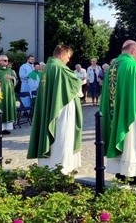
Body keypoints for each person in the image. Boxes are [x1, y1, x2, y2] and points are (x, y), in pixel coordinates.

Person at [100, 40, 136, 189]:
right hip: (134, 115)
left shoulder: (112, 67)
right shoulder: (135, 66)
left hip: (118, 114)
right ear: (133, 51)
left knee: (125, 142)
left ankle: (121, 173)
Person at [27, 45, 83, 174]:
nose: (68, 60)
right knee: (62, 135)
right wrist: (81, 82)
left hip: (51, 107)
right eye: (68, 57)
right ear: (61, 55)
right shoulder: (60, 68)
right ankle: (61, 166)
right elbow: (75, 84)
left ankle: (48, 165)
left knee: (58, 134)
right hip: (61, 109)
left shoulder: (48, 67)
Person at [0, 55, 17, 133]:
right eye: (4, 60)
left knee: (8, 107)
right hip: (1, 92)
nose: (6, 62)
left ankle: (6, 128)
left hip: (9, 93)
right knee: (1, 108)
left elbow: (16, 79)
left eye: (7, 60)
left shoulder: (9, 70)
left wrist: (12, 78)